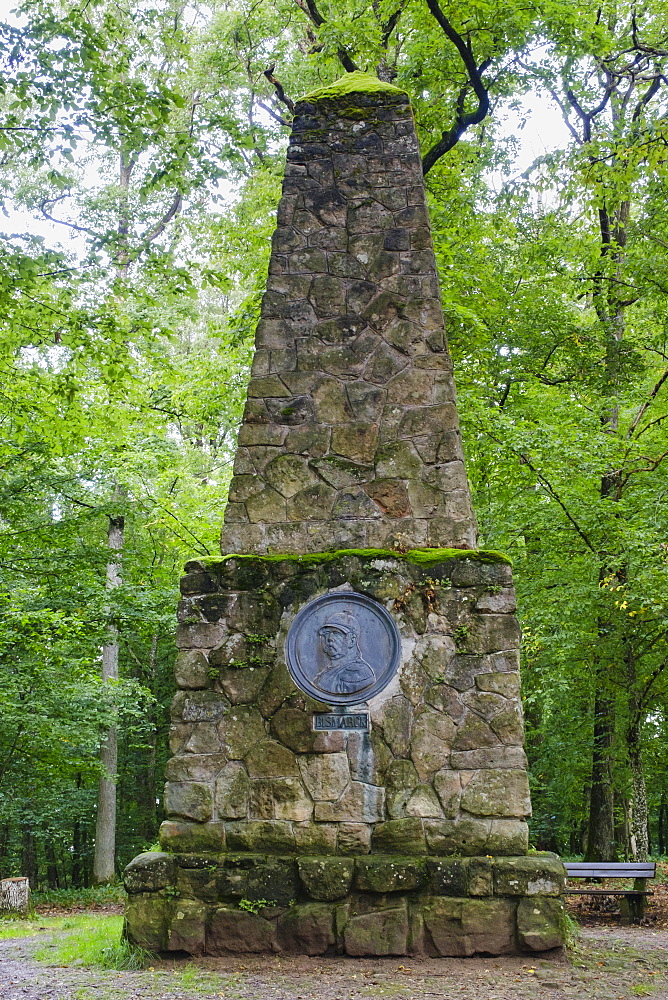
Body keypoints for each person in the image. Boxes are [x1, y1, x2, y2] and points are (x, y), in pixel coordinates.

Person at [313, 610, 376, 696]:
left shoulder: (358, 674)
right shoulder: (324, 674)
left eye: (336, 633)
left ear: (352, 640)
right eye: (327, 633)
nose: (330, 638)